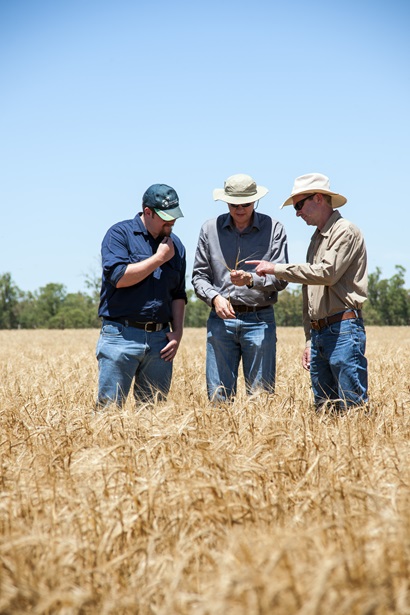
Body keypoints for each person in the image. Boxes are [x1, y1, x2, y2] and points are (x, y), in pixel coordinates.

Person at [246, 172, 368, 413]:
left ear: (319, 198)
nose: (297, 212)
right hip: (322, 332)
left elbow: (327, 274)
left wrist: (276, 269)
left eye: (299, 204)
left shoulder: (345, 231)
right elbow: (309, 292)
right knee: (324, 411)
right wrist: (310, 339)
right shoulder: (317, 238)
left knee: (352, 410)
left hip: (343, 330)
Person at [192, 173, 288, 402]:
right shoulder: (209, 229)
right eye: (234, 204)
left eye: (245, 203)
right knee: (218, 399)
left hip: (260, 319)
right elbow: (199, 277)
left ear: (255, 200)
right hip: (220, 320)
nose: (240, 209)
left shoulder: (274, 228)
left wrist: (251, 280)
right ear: (226, 201)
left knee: (261, 399)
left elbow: (282, 278)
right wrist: (215, 298)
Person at [96, 183, 187, 408]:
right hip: (120, 336)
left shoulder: (177, 246)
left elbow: (178, 293)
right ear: (147, 212)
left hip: (160, 342)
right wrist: (158, 259)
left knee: (153, 417)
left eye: (174, 215)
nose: (172, 221)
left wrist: (177, 333)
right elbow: (119, 278)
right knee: (109, 412)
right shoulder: (119, 234)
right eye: (166, 217)